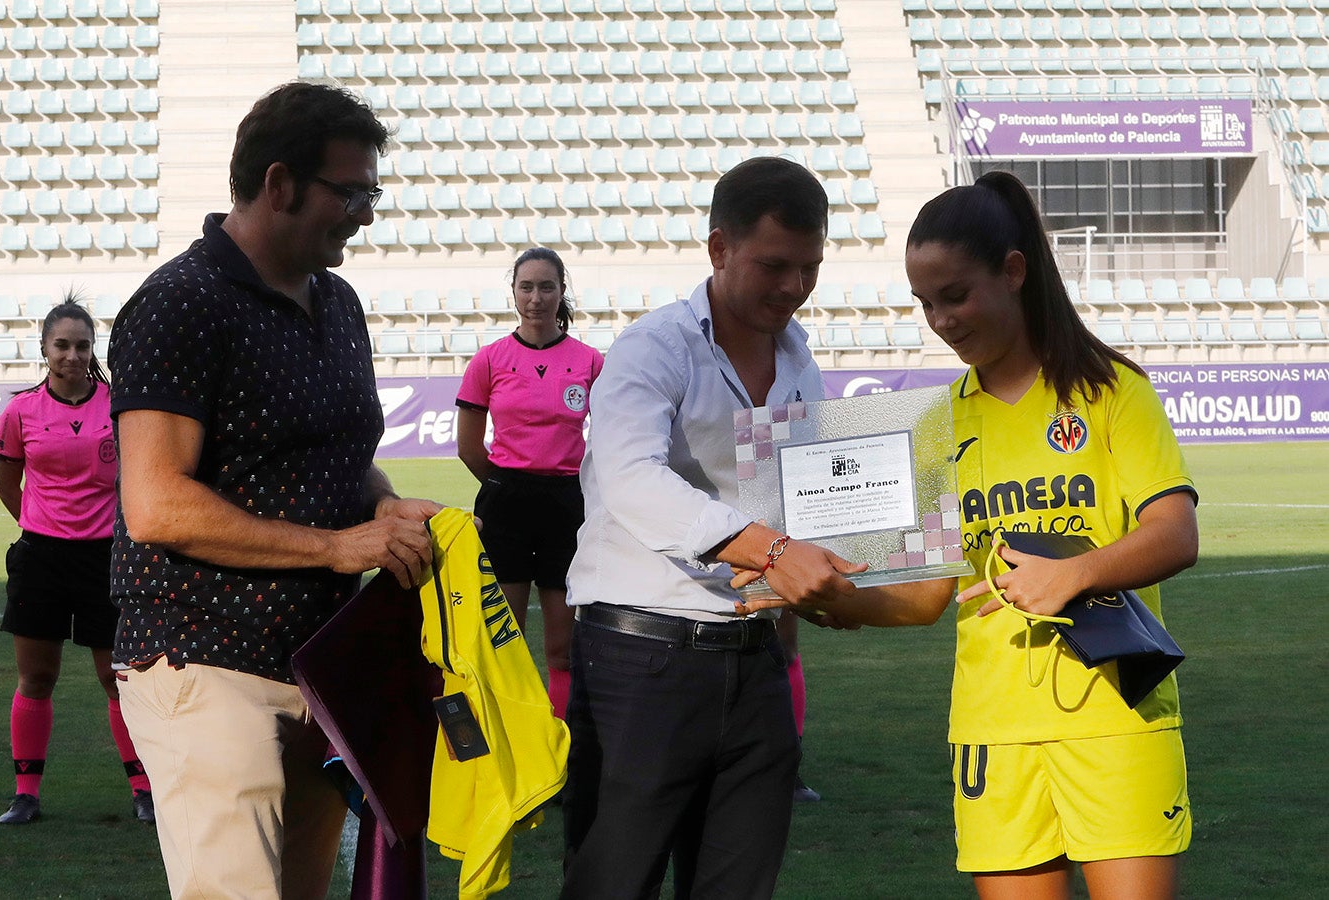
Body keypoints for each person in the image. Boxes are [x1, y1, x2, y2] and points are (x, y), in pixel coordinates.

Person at [746, 171, 1197, 899]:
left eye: (954, 295)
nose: (942, 319)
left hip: (1115, 720)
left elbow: (1176, 533)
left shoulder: (1111, 391)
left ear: (1013, 272)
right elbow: (926, 596)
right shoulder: (933, 424)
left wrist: (1073, 574)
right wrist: (820, 595)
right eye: (926, 304)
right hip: (992, 731)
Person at [107, 82, 443, 900]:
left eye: (372, 192)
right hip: (206, 660)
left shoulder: (339, 301)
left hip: (320, 667)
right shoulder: (178, 304)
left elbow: (334, 458)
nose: (365, 213)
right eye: (352, 191)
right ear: (282, 183)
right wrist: (336, 548)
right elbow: (155, 503)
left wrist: (381, 506)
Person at [560, 156, 874, 900]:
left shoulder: (799, 358)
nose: (793, 287)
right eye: (773, 265)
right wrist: (773, 551)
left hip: (754, 657)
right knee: (613, 884)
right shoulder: (654, 347)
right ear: (718, 249)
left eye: (810, 267)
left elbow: (814, 496)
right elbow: (633, 482)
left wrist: (872, 560)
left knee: (738, 887)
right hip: (641, 660)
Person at [0, 296, 154, 826]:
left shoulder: (117, 405)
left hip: (107, 559)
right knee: (36, 678)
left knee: (117, 678)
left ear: (93, 349)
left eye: (82, 345)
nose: (72, 354)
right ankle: (26, 794)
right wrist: (43, 525)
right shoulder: (20, 411)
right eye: (62, 344)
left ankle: (142, 789)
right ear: (44, 349)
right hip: (41, 558)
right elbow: (7, 484)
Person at [455, 247, 604, 720]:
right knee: (507, 644)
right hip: (506, 507)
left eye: (546, 287)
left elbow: (613, 438)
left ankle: (564, 751)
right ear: (513, 292)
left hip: (567, 506)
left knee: (563, 648)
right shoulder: (489, 360)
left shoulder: (590, 361)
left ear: (562, 292)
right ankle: (517, 755)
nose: (536, 297)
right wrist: (506, 486)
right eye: (526, 287)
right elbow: (469, 446)